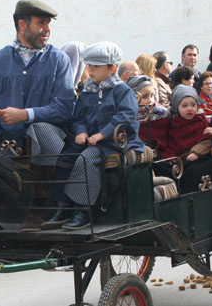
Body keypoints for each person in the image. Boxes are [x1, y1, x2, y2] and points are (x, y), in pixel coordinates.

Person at [0, 0, 73, 231]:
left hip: (40, 138)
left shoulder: (58, 59)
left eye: (48, 23)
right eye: (41, 23)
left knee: (40, 130)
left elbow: (65, 108)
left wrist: (25, 114)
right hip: (0, 135)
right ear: (22, 25)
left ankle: (37, 209)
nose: (47, 29)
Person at [43, 41, 143, 230]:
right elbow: (78, 116)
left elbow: (125, 116)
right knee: (64, 158)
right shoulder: (88, 91)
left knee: (86, 159)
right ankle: (63, 206)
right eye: (88, 65)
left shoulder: (122, 91)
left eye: (95, 66)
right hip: (89, 140)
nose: (90, 70)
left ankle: (83, 209)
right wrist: (81, 131)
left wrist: (101, 135)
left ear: (112, 68)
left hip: (115, 143)